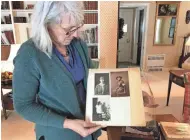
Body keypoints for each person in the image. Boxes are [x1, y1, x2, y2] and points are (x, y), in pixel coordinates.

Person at [13, 2, 102, 140]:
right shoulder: (29, 54)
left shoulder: (79, 45)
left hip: (88, 130)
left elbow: (92, 76)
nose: (76, 34)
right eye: (69, 29)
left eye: (78, 26)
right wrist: (68, 123)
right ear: (46, 24)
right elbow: (23, 106)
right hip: (57, 134)